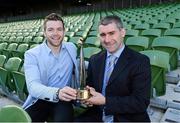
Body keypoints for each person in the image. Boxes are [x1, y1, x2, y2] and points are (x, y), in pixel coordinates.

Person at [76, 15, 151, 122]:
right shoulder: (95, 60)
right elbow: (91, 87)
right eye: (103, 35)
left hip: (127, 118)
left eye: (112, 33)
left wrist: (105, 101)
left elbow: (140, 102)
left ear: (122, 32)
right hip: (97, 115)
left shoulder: (140, 61)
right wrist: (89, 95)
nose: (107, 39)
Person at [22, 13, 79, 122]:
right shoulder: (32, 54)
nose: (56, 33)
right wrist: (57, 92)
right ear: (44, 32)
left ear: (64, 31)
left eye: (59, 29)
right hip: (41, 98)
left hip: (63, 100)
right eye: (51, 29)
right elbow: (33, 87)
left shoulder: (71, 48)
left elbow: (79, 63)